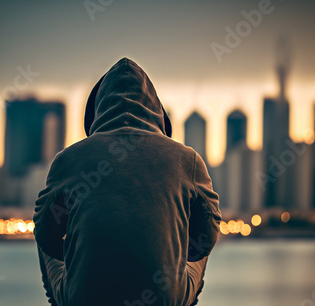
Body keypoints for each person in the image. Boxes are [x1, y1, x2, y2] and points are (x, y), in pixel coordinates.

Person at [33, 57, 221, 306]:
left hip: (86, 299)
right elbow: (207, 233)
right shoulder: (188, 160)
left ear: (97, 113)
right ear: (158, 114)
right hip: (163, 299)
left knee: (41, 237)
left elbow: (47, 236)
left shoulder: (67, 160)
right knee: (196, 260)